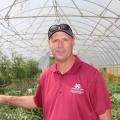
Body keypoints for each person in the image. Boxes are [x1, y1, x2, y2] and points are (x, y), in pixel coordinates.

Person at [0, 23, 112, 120]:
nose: (60, 45)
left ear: (73, 42)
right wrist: (6, 99)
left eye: (65, 40)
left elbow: (105, 116)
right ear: (49, 44)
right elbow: (36, 101)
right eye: (55, 40)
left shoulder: (91, 75)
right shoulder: (46, 75)